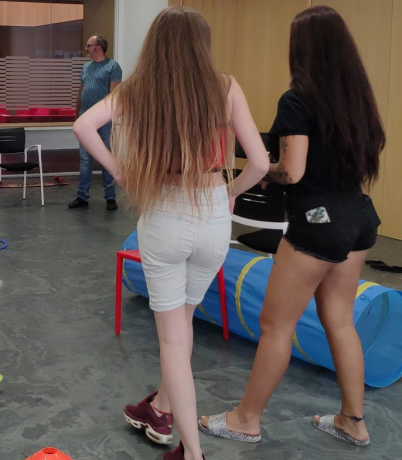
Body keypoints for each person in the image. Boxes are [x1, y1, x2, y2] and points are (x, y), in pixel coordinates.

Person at [73, 7, 269, 460]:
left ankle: (192, 453)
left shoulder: (141, 89)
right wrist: (229, 194)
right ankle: (160, 408)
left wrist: (120, 172)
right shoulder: (225, 86)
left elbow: (84, 125)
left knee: (173, 340)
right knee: (182, 323)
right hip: (214, 217)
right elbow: (259, 163)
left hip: (165, 217)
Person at [199, 5, 384, 448]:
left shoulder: (298, 98)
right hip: (358, 217)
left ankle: (246, 418)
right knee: (340, 319)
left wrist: (267, 171)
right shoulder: (357, 97)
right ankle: (352, 421)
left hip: (317, 224)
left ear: (302, 49)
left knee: (275, 324)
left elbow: (294, 171)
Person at [68, 33, 122, 211]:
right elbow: (80, 91)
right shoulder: (86, 67)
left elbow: (114, 96)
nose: (86, 49)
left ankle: (110, 197)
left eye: (88, 45)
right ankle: (82, 196)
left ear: (98, 48)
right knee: (85, 160)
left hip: (103, 122)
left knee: (105, 157)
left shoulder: (113, 67)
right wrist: (77, 114)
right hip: (85, 118)